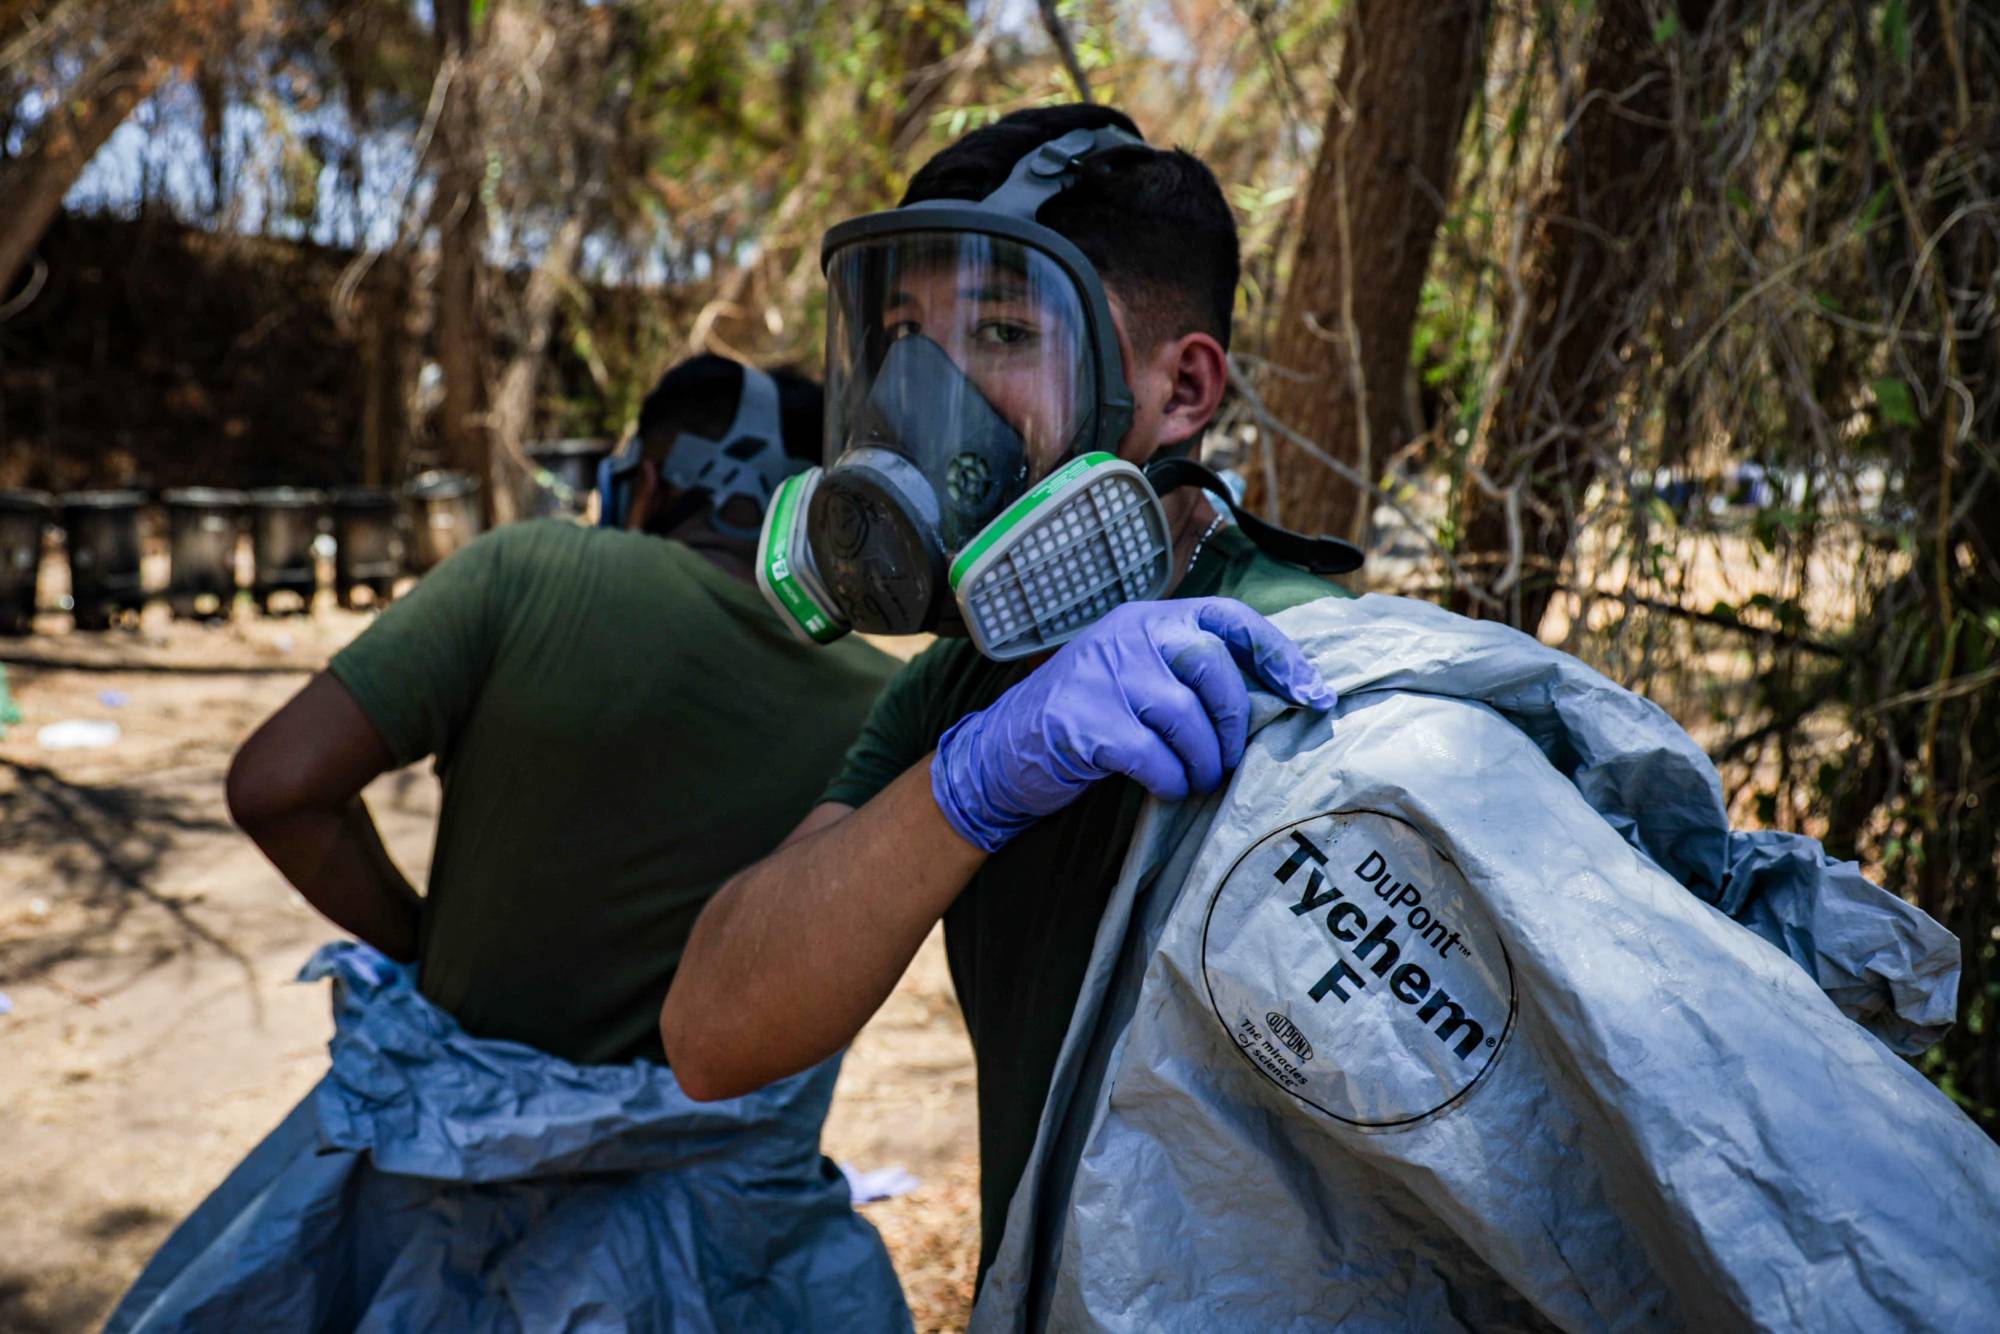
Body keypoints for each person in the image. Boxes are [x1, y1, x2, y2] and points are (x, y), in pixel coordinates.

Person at [660, 105, 1360, 1282]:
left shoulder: (1295, 664)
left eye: (997, 330)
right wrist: (971, 782)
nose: (917, 394)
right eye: (900, 336)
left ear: (1181, 388)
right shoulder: (965, 686)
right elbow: (712, 1033)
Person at [107, 356, 910, 1332]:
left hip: (438, 1216)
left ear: (652, 484)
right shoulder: (887, 706)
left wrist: (423, 943)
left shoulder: (534, 569)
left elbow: (276, 786)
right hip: (715, 1255)